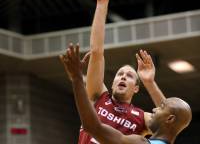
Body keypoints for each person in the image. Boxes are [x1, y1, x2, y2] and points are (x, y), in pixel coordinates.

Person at [75, 0, 165, 143]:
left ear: (136, 88)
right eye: (119, 74)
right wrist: (102, 3)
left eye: (130, 76)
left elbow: (172, 119)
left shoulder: (142, 118)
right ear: (113, 82)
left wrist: (150, 82)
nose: (123, 77)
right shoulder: (98, 96)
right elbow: (97, 52)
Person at [60, 43, 192, 144]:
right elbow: (172, 120)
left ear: (136, 88)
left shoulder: (138, 140)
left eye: (160, 108)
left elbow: (92, 127)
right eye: (120, 74)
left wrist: (77, 78)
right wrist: (150, 82)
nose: (154, 108)